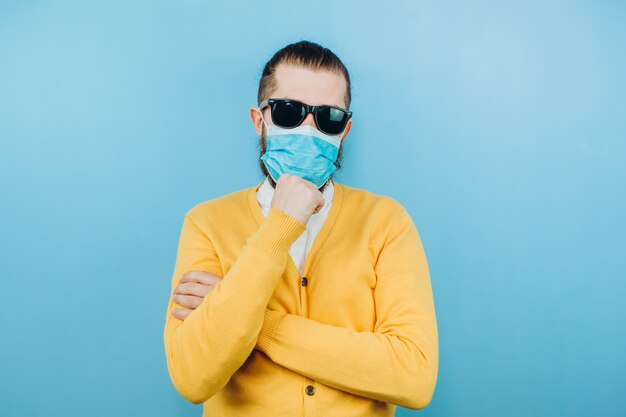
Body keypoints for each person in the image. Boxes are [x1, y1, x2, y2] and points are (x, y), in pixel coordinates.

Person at [163, 40, 438, 417]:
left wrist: (257, 323)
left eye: (328, 117)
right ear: (260, 121)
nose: (309, 129)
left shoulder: (386, 222)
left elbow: (414, 377)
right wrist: (280, 227)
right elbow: (193, 377)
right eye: (289, 112)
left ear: (344, 130)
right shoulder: (207, 224)